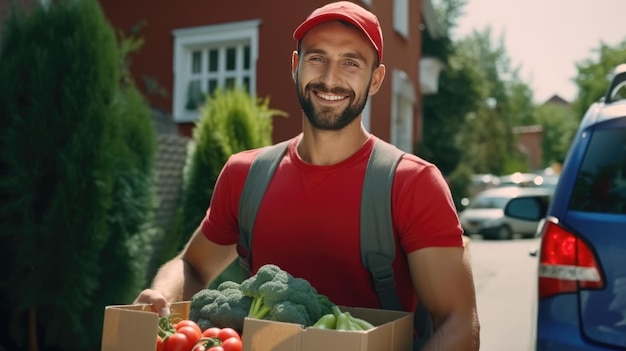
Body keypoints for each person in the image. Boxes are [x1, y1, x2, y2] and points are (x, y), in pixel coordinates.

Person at [135, 1, 480, 349]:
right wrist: (161, 296)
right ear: (296, 66)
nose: (331, 78)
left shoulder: (412, 184)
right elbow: (192, 266)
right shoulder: (245, 175)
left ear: (375, 79)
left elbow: (460, 324)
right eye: (317, 58)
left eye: (351, 62)